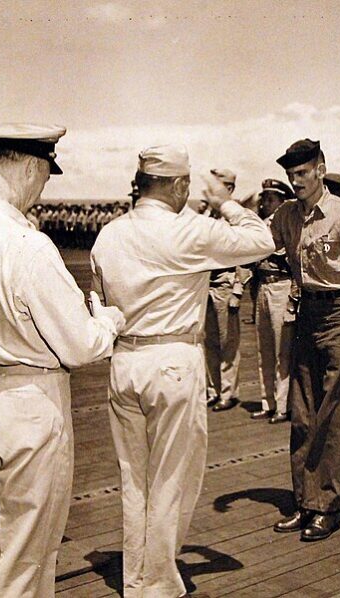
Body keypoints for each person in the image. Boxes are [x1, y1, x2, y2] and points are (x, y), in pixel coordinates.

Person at [0, 124, 125, 597]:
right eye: (45, 176)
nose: (41, 189)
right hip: (28, 404)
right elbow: (80, 345)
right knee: (27, 558)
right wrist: (108, 321)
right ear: (31, 166)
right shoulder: (26, 245)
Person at [90, 145, 273, 597]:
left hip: (124, 361)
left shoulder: (108, 235)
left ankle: (135, 580)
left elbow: (97, 299)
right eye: (188, 184)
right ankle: (159, 585)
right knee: (172, 478)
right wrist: (224, 201)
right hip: (173, 361)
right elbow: (262, 240)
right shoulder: (189, 230)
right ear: (177, 185)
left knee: (134, 479)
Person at [270, 139, 340, 542]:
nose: (295, 181)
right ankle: (305, 501)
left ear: (320, 169)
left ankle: (327, 506)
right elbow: (261, 244)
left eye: (301, 173)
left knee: (333, 415)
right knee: (302, 413)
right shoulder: (286, 215)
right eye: (290, 175)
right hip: (307, 313)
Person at [251, 178, 295, 424]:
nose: (265, 203)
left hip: (281, 285)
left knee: (282, 351)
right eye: (264, 198)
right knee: (264, 348)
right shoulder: (261, 225)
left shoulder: (287, 224)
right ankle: (267, 401)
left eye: (271, 199)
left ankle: (282, 405)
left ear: (281, 202)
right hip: (263, 286)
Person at [204, 168, 246, 412]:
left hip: (225, 284)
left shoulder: (236, 216)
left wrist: (238, 289)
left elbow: (244, 255)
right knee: (209, 341)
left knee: (227, 342)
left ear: (229, 189)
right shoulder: (211, 215)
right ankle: (213, 390)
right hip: (207, 284)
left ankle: (228, 393)